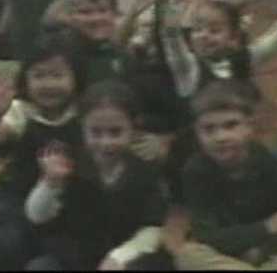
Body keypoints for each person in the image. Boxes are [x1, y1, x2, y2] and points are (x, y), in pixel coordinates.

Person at [175, 80, 277, 270]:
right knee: (189, 255)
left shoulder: (273, 161)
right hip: (228, 256)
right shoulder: (195, 171)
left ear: (249, 127)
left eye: (231, 126)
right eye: (209, 129)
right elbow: (207, 235)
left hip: (272, 253)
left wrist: (263, 250)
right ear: (197, 133)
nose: (220, 137)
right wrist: (266, 227)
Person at [0, 38, 86, 270]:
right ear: (25, 82)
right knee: (12, 242)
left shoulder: (84, 112)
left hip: (68, 199)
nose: (48, 84)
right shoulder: (22, 111)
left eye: (57, 76)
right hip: (17, 195)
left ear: (75, 78)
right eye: (39, 76)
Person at [25, 80, 170, 271]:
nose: (106, 142)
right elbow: (37, 216)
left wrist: (120, 257)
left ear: (133, 128)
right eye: (96, 132)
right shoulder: (68, 164)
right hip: (75, 256)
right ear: (82, 128)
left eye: (115, 132)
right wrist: (50, 183)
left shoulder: (144, 171)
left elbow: (153, 228)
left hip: (125, 259)